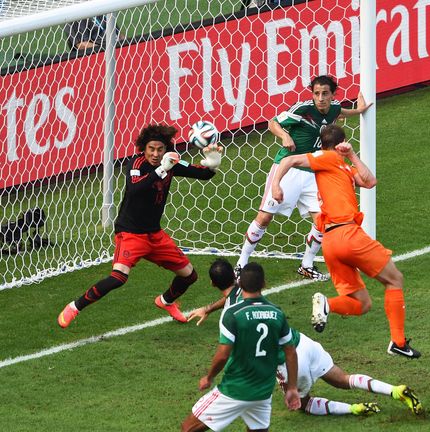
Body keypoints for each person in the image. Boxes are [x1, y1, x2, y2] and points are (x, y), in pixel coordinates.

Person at [187, 259, 425, 418]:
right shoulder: (247, 287)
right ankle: (395, 390)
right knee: (344, 378)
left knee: (302, 404)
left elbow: (237, 346)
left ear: (212, 283)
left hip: (287, 361)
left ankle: (353, 409)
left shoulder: (231, 317)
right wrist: (208, 308)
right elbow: (231, 296)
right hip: (304, 343)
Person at [271, 125, 421, 358]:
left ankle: (327, 304)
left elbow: (370, 182)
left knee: (362, 304)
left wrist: (351, 156)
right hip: (348, 234)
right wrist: (275, 185)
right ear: (342, 142)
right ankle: (398, 342)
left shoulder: (343, 168)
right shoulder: (328, 158)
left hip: (330, 243)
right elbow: (289, 161)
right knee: (395, 279)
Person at [57, 124, 223, 328]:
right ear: (143, 149)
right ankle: (74, 307)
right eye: (151, 149)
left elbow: (202, 174)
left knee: (189, 275)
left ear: (166, 149)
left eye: (159, 149)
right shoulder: (136, 163)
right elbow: (135, 188)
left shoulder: (171, 161)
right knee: (118, 277)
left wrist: (214, 163)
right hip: (131, 233)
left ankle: (166, 301)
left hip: (154, 234)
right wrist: (163, 169)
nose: (155, 154)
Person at [236, 75, 371, 281]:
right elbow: (273, 123)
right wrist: (285, 136)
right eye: (317, 93)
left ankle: (307, 265)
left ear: (333, 94)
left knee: (322, 220)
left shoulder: (334, 108)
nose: (320, 98)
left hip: (314, 171)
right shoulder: (302, 109)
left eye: (325, 93)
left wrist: (359, 110)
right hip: (288, 166)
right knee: (265, 217)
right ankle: (241, 263)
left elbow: (339, 112)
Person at [181, 262, 301, 432]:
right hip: (263, 392)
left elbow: (223, 355)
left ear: (240, 284)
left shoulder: (232, 314)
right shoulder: (277, 313)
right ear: (264, 284)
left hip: (235, 389)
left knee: (188, 428)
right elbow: (291, 352)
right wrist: (292, 388)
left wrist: (209, 377)